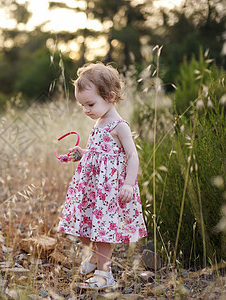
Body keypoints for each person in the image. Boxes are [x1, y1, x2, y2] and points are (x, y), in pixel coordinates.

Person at [58, 62, 148, 290]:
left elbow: (132, 156)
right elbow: (101, 154)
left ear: (110, 96)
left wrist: (128, 184)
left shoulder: (120, 126)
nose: (86, 110)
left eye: (90, 103)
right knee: (85, 226)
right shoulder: (99, 122)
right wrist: (83, 153)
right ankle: (95, 258)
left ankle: (104, 274)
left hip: (109, 191)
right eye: (82, 105)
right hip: (93, 188)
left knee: (102, 231)